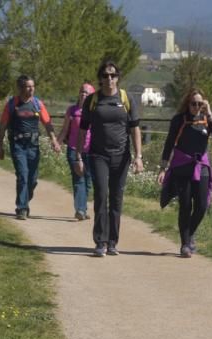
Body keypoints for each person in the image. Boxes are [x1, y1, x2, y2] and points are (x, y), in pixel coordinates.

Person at [78, 60, 143, 257]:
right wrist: (78, 156)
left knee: (116, 199)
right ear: (100, 78)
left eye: (113, 75)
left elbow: (135, 129)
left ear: (118, 78)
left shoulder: (126, 98)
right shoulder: (92, 100)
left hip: (121, 157)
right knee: (100, 196)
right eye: (105, 75)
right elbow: (82, 130)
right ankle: (100, 241)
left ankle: (113, 241)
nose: (109, 79)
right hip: (98, 155)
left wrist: (138, 156)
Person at [156, 87, 212, 257]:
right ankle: (185, 244)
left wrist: (209, 113)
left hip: (201, 166)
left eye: (199, 103)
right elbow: (169, 143)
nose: (196, 106)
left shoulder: (206, 120)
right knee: (185, 206)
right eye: (193, 103)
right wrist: (163, 168)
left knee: (202, 205)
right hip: (182, 166)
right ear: (187, 104)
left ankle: (190, 234)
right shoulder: (179, 120)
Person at [0, 75, 61, 220]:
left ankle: (25, 199)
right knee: (23, 176)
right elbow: (3, 125)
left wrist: (54, 140)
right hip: (18, 145)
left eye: (33, 86)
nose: (31, 89)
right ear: (21, 88)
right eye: (28, 86)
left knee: (32, 180)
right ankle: (21, 208)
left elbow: (47, 124)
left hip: (33, 146)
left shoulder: (38, 104)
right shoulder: (12, 104)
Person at [57, 82, 95, 221]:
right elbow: (65, 129)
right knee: (79, 179)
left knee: (88, 181)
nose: (84, 94)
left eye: (87, 93)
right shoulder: (72, 111)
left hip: (91, 151)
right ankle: (80, 209)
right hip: (74, 149)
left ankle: (83, 208)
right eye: (82, 91)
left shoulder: (94, 112)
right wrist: (58, 142)